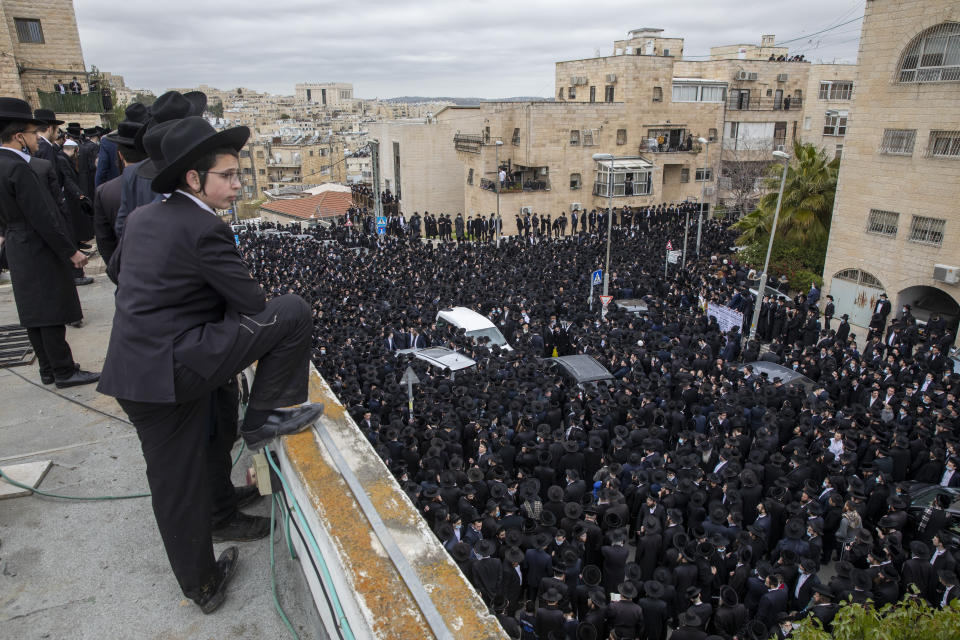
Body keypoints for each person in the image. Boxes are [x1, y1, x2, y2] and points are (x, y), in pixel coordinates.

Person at [97, 116, 323, 613]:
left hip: (138, 366)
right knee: (293, 311)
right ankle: (202, 583)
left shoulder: (144, 217)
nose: (239, 184)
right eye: (227, 175)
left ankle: (219, 519)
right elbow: (249, 301)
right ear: (194, 179)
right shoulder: (203, 227)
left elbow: (119, 271)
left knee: (185, 467)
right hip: (170, 370)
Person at [0, 97, 97, 388]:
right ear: (19, 136)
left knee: (33, 311)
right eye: (32, 133)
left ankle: (48, 369)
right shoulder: (19, 167)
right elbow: (42, 215)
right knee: (52, 308)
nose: (35, 139)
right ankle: (65, 370)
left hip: (17, 244)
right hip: (37, 245)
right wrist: (71, 252)